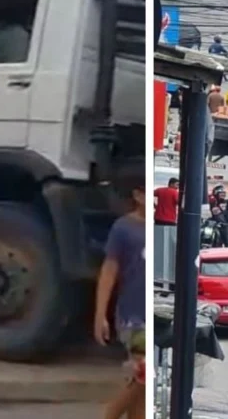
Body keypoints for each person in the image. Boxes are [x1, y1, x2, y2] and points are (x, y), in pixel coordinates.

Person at [94, 164, 145, 419]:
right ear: (137, 196)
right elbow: (108, 272)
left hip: (147, 316)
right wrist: (100, 315)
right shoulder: (124, 228)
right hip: (132, 317)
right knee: (143, 376)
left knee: (142, 394)